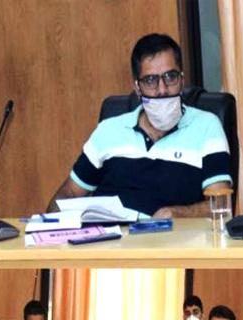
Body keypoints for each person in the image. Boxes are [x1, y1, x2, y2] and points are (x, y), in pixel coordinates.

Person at [47, 34, 231, 219]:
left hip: (171, 235)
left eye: (170, 77)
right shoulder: (108, 131)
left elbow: (220, 206)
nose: (162, 89)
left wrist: (178, 214)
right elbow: (69, 194)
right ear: (137, 87)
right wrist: (52, 222)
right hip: (111, 235)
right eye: (150, 80)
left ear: (182, 80)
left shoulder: (206, 127)